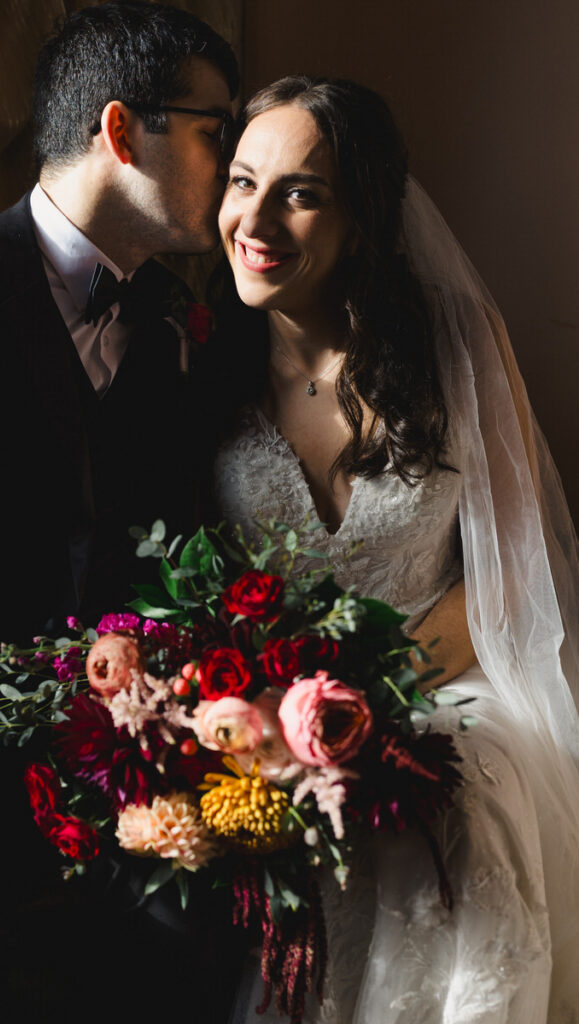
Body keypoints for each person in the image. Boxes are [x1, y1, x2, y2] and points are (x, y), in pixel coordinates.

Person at [0, 4, 244, 1023]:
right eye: (213, 129)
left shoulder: (185, 332)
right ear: (122, 131)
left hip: (123, 830)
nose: (230, 161)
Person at [206, 75, 579, 1022]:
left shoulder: (455, 345)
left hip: (445, 675)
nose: (256, 220)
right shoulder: (193, 356)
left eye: (301, 192)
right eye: (242, 182)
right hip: (261, 715)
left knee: (452, 810)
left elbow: (511, 576)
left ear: (362, 217)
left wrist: (364, 710)